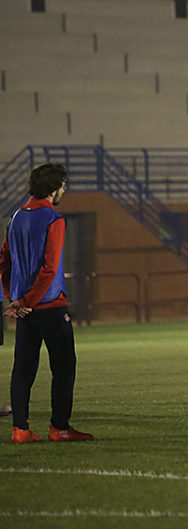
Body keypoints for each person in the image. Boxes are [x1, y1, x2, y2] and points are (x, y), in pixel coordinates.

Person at [1, 162, 93, 443]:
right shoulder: (54, 219)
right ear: (53, 189)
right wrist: (28, 300)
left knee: (23, 369)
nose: (64, 190)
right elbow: (50, 268)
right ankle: (59, 428)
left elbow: (3, 261)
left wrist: (14, 299)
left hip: (24, 311)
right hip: (51, 307)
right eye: (63, 186)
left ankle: (20, 429)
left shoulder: (15, 218)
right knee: (64, 367)